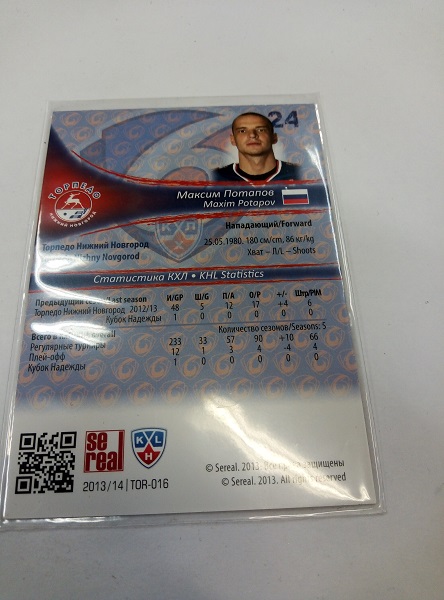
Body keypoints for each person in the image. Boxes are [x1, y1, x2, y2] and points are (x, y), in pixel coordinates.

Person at [212, 112, 300, 183]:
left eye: (261, 130)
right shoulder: (216, 177)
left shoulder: (298, 173)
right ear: (233, 140)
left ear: (274, 138)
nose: (252, 135)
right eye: (242, 131)